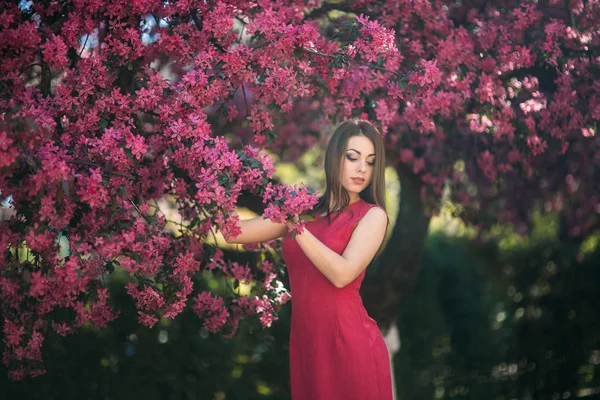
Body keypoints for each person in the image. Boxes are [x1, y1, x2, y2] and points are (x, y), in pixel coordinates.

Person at [227, 120, 392, 400]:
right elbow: (232, 232)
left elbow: (342, 274)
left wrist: (296, 226)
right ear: (334, 158)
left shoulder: (373, 215)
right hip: (308, 343)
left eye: (370, 161)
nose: (362, 168)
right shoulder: (304, 209)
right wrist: (214, 188)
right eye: (353, 157)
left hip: (348, 343)